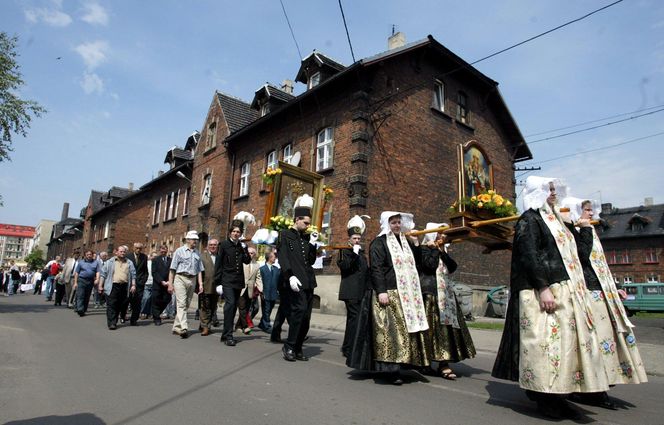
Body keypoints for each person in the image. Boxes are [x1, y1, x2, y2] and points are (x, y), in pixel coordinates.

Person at [492, 177, 609, 420]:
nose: (554, 193)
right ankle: (545, 397)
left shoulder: (559, 219)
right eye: (549, 189)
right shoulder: (531, 219)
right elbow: (528, 255)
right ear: (538, 192)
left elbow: (581, 256)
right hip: (543, 291)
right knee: (546, 345)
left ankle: (561, 394)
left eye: (555, 189)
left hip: (568, 291)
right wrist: (543, 287)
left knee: (566, 346)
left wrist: (584, 230)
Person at [563, 197, 648, 408]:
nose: (591, 214)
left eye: (592, 211)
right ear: (576, 212)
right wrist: (583, 231)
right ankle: (592, 390)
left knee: (608, 343)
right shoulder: (571, 232)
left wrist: (614, 285)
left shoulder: (589, 231)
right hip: (587, 296)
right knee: (595, 344)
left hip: (601, 295)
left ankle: (600, 387)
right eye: (587, 210)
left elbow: (600, 265)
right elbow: (579, 259)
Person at [366, 211, 428, 384]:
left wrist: (416, 245)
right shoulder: (379, 243)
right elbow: (376, 268)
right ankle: (391, 370)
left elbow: (417, 265)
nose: (397, 225)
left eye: (399, 222)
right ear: (387, 224)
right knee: (391, 332)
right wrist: (381, 291)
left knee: (405, 332)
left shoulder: (405, 242)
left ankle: (404, 365)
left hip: (406, 293)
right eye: (393, 222)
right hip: (389, 291)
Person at [419, 223, 475, 379]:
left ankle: (444, 363)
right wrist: (434, 249)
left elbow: (452, 266)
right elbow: (429, 266)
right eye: (438, 234)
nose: (441, 237)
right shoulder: (424, 249)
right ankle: (425, 362)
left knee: (446, 330)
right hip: (431, 294)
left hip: (446, 297)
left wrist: (441, 251)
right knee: (431, 330)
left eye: (442, 235)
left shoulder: (442, 251)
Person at [277, 194, 319, 362]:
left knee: (306, 318)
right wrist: (290, 276)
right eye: (306, 223)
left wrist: (313, 245)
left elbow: (311, 261)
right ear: (297, 219)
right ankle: (289, 346)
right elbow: (283, 256)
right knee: (298, 314)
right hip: (295, 282)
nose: (308, 226)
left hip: (308, 281)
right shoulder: (285, 235)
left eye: (309, 223)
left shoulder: (306, 238)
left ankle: (298, 347)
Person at [337, 215, 370, 358]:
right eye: (354, 238)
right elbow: (345, 267)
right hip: (350, 291)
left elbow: (365, 271)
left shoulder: (361, 253)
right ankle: (349, 348)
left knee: (354, 320)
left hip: (360, 291)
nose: (357, 241)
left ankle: (348, 346)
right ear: (349, 239)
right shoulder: (344, 251)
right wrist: (354, 255)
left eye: (358, 238)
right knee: (354, 320)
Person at [215, 220, 251, 346]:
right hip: (227, 280)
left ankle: (225, 335)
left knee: (233, 306)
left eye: (238, 232)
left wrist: (245, 250)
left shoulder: (241, 246)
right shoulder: (224, 244)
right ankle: (229, 335)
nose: (236, 234)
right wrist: (218, 282)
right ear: (230, 232)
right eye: (234, 231)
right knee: (230, 305)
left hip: (238, 281)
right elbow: (218, 264)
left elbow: (246, 261)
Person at [168, 231, 204, 339]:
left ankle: (176, 327)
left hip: (192, 280)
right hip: (180, 278)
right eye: (193, 240)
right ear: (188, 240)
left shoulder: (197, 253)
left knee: (186, 304)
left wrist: (200, 284)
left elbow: (199, 270)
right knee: (182, 304)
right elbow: (172, 269)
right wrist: (170, 284)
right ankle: (184, 327)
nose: (195, 242)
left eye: (196, 240)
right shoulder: (179, 251)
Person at [99, 245, 136, 330]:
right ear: (116, 252)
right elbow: (103, 274)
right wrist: (100, 286)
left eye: (124, 252)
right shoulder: (110, 262)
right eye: (121, 251)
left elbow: (133, 275)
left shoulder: (129, 262)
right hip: (112, 286)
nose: (123, 253)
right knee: (111, 304)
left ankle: (114, 320)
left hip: (124, 286)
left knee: (120, 305)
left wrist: (133, 285)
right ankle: (112, 323)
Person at [237, 246, 262, 334]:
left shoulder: (257, 265)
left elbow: (258, 277)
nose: (250, 255)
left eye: (252, 253)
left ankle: (238, 325)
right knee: (242, 307)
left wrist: (260, 288)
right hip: (241, 288)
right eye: (249, 253)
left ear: (255, 255)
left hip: (250, 289)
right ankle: (245, 325)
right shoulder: (242, 262)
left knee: (247, 308)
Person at [199, 239, 220, 336]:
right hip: (205, 285)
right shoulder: (202, 256)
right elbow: (199, 272)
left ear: (217, 246)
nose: (213, 246)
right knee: (204, 307)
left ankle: (205, 324)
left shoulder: (220, 257)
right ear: (208, 246)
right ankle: (205, 326)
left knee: (213, 307)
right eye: (211, 245)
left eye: (214, 245)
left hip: (217, 287)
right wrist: (200, 284)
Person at [125, 243, 148, 326]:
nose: (138, 250)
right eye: (137, 248)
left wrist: (143, 281)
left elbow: (145, 271)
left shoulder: (144, 257)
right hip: (129, 283)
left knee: (137, 302)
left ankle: (134, 319)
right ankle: (122, 316)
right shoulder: (128, 256)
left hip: (140, 283)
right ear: (133, 248)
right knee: (126, 301)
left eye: (140, 248)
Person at [73, 250, 101, 317]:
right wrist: (75, 282)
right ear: (85, 255)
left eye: (90, 254)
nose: (89, 256)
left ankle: (84, 309)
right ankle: (80, 309)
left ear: (92, 255)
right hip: (81, 280)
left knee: (87, 296)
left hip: (90, 281)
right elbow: (77, 273)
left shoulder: (96, 263)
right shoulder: (81, 262)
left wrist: (97, 279)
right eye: (87, 254)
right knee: (80, 295)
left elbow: (98, 272)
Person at [258, 249, 280, 333]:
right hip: (265, 293)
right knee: (266, 309)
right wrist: (261, 292)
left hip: (274, 293)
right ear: (269, 258)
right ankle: (266, 325)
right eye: (274, 257)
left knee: (270, 309)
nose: (275, 259)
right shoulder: (262, 269)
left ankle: (262, 323)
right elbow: (259, 281)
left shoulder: (276, 269)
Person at [150, 245, 171, 326]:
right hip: (158, 284)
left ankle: (157, 313)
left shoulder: (170, 260)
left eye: (165, 250)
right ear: (159, 250)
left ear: (167, 250)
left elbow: (172, 272)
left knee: (167, 299)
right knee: (156, 301)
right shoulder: (155, 260)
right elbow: (154, 272)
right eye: (162, 249)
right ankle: (157, 318)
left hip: (168, 284)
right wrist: (161, 281)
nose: (163, 251)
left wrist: (169, 281)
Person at [140, 252, 155, 318]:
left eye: (156, 257)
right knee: (145, 298)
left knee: (152, 299)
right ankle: (143, 312)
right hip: (147, 283)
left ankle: (150, 313)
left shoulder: (157, 263)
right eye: (154, 256)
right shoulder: (147, 263)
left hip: (154, 283)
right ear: (151, 256)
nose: (155, 258)